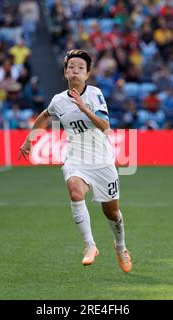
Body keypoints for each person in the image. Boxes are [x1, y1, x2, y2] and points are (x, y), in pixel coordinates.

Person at [18, 50, 132, 272]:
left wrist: (83, 108)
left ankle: (120, 247)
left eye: (80, 67)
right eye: (71, 67)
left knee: (112, 213)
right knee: (74, 191)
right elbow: (44, 115)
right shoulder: (58, 100)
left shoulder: (95, 94)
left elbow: (105, 126)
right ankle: (90, 245)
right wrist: (30, 140)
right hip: (75, 158)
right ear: (65, 72)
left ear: (87, 73)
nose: (75, 71)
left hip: (102, 161)